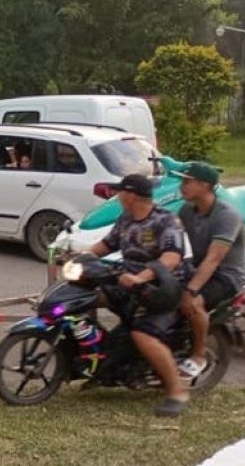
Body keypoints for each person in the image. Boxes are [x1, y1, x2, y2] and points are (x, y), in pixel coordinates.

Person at [86, 173, 189, 417]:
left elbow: (172, 258)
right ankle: (104, 355)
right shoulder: (126, 218)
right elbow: (106, 245)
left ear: (131, 195)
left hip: (161, 289)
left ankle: (177, 391)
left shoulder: (166, 221)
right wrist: (80, 255)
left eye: (121, 191)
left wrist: (142, 277)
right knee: (87, 297)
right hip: (128, 282)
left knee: (143, 334)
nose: (117, 196)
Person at [172, 161, 245, 380]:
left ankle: (198, 356)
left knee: (192, 303)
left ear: (205, 185)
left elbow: (214, 259)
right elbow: (171, 237)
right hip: (199, 268)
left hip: (226, 276)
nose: (181, 186)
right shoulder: (187, 210)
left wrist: (191, 290)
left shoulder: (227, 215)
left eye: (187, 181)